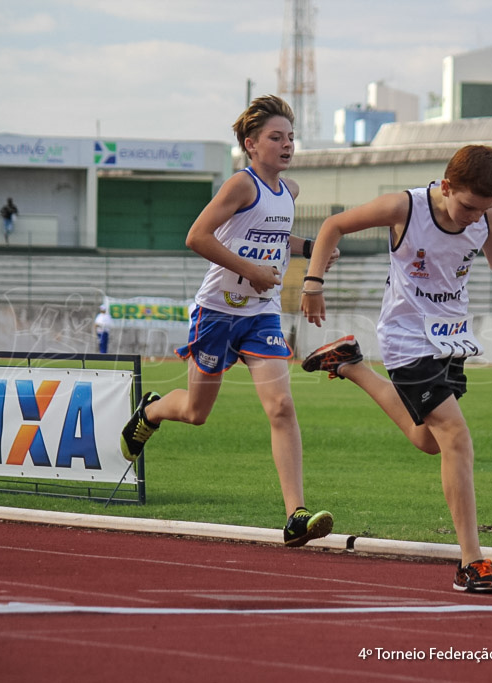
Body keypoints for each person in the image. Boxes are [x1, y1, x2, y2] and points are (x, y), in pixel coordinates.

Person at [299, 144, 492, 593]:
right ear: (447, 186)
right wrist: (314, 282)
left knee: (428, 441)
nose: (477, 217)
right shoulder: (405, 207)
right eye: (470, 206)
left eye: (485, 209)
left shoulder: (487, 217)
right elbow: (334, 225)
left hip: (451, 340)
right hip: (405, 339)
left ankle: (350, 364)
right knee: (456, 436)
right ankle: (471, 562)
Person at [119, 94, 338, 548]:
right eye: (276, 137)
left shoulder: (289, 191)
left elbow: (277, 236)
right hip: (217, 313)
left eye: (291, 137)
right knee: (197, 413)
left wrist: (313, 247)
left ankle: (295, 514)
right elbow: (196, 236)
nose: (287, 145)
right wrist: (250, 269)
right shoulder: (241, 185)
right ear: (250, 144)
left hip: (261, 315)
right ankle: (152, 410)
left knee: (281, 406)